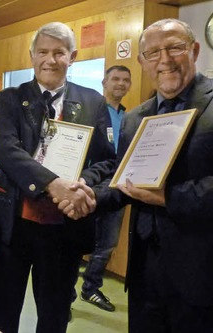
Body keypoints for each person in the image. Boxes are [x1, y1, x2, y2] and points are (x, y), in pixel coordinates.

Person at [0, 22, 115, 333]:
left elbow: (107, 159)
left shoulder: (93, 100)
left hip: (63, 228)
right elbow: (5, 149)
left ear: (73, 56)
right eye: (42, 52)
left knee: (55, 314)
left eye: (59, 53)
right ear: (32, 56)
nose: (50, 60)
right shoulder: (10, 98)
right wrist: (53, 184)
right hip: (14, 225)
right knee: (1, 313)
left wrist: (80, 183)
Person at [106, 18, 213, 332]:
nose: (164, 60)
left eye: (175, 48)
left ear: (193, 50)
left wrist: (169, 196)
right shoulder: (135, 118)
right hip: (143, 275)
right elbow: (122, 178)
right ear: (141, 62)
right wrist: (83, 193)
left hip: (203, 277)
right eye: (153, 53)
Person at [78, 65, 131, 312]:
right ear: (104, 82)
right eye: (116, 79)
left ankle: (90, 288)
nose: (121, 84)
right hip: (88, 185)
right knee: (76, 243)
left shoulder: (131, 116)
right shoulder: (91, 111)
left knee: (108, 243)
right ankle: (63, 296)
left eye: (125, 80)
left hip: (118, 187)